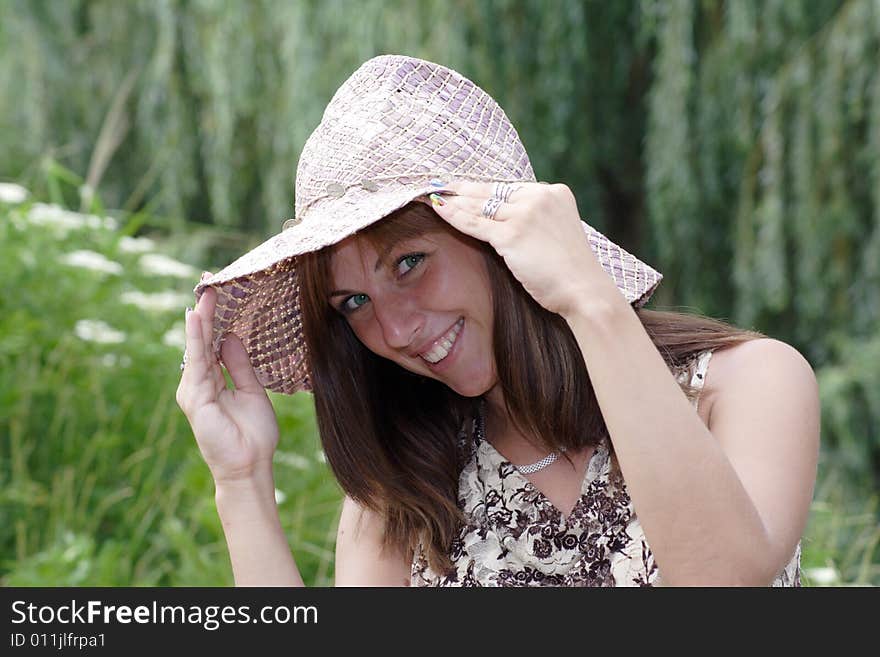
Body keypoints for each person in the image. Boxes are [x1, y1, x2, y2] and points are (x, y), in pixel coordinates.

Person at [176, 55, 820, 587]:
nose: (395, 331)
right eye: (353, 303)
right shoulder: (403, 491)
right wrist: (241, 483)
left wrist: (589, 300)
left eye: (408, 263)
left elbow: (725, 585)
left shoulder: (746, 386)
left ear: (499, 237)